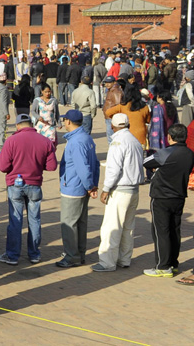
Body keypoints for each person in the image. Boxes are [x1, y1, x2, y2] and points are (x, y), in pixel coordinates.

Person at [0, 114, 57, 266]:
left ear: (17, 126)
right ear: (32, 125)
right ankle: (34, 253)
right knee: (34, 220)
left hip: (15, 184)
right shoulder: (45, 141)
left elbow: (2, 166)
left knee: (15, 221)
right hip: (34, 184)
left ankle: (12, 255)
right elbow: (52, 166)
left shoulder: (11, 141)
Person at [91, 113, 145, 272]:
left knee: (112, 227)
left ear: (113, 126)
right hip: (133, 189)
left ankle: (107, 262)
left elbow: (113, 169)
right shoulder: (133, 140)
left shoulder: (117, 142)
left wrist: (106, 189)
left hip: (120, 190)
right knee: (128, 227)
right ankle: (124, 258)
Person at [143, 124, 194, 278]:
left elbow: (147, 161)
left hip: (162, 196)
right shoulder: (189, 153)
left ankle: (163, 266)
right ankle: (173, 263)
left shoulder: (166, 152)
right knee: (174, 230)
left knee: (161, 231)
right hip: (178, 196)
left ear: (169, 137)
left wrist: (157, 169)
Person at [56, 110, 100, 268]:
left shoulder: (75, 142)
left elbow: (82, 167)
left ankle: (71, 256)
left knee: (69, 223)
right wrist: (92, 184)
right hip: (82, 186)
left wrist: (90, 185)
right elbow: (94, 164)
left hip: (73, 187)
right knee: (80, 222)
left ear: (68, 121)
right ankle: (79, 253)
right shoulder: (86, 137)